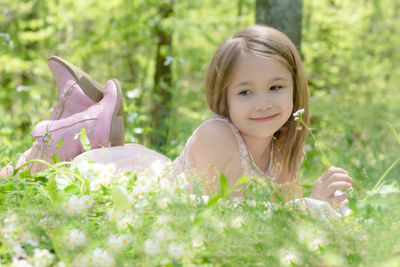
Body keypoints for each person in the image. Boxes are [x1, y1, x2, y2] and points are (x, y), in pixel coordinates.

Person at [0, 25, 353, 208]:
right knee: (18, 180)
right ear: (224, 98)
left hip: (153, 172)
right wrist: (312, 207)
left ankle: (88, 118)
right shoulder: (219, 137)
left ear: (295, 88)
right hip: (125, 187)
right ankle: (74, 125)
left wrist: (321, 208)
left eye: (276, 87)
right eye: (245, 92)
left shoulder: (282, 151)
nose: (263, 103)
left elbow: (282, 232)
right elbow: (239, 222)